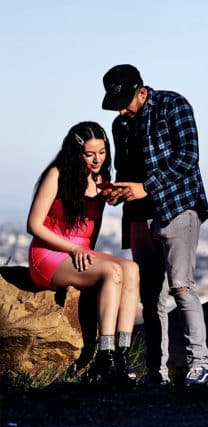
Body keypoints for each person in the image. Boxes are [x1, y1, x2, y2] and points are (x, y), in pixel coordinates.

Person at [101, 64, 208, 386]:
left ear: (141, 90)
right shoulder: (120, 125)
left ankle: (200, 364)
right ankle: (156, 372)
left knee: (181, 287)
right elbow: (125, 170)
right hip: (139, 214)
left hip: (177, 208)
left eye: (125, 102)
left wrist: (146, 187)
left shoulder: (172, 105)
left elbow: (188, 157)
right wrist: (118, 191)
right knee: (150, 296)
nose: (121, 110)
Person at [27, 121, 140, 384]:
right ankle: (105, 355)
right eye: (90, 154)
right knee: (112, 272)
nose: (97, 159)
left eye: (101, 152)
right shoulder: (57, 174)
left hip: (80, 252)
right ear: (76, 152)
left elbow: (93, 228)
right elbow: (33, 225)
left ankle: (121, 353)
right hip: (49, 253)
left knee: (132, 269)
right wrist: (75, 249)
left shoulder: (100, 180)